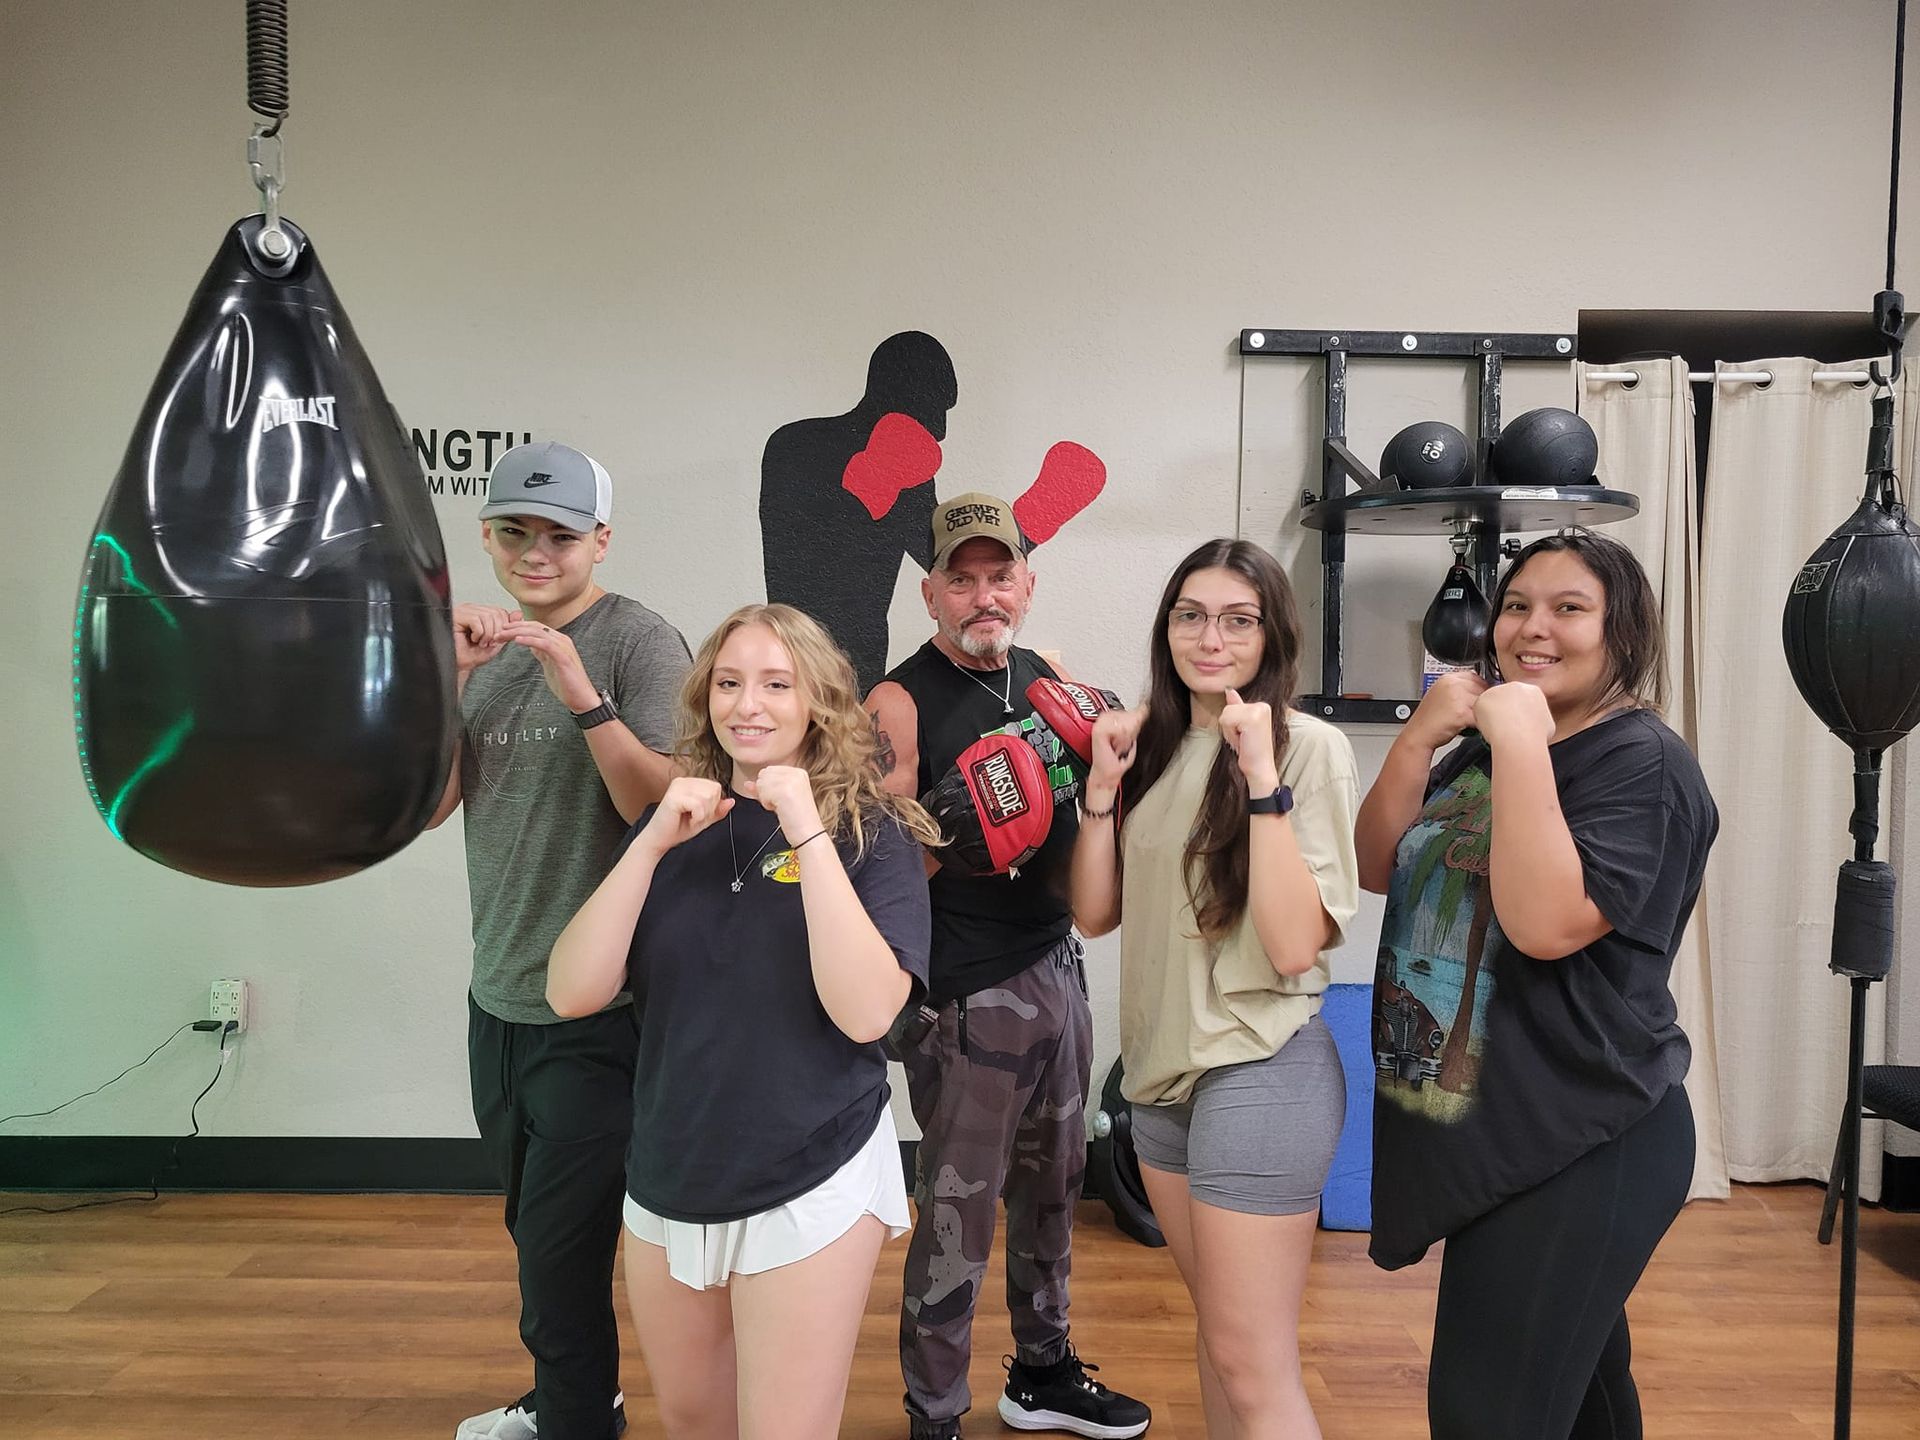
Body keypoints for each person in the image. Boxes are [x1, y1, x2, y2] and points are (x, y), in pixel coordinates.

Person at [1354, 530, 1718, 1440]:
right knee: (1582, 1401)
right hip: (1506, 1130)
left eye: (1568, 608)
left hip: (1586, 1134)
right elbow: (1375, 866)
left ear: (1622, 630)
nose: (1532, 628)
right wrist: (1419, 737)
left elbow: (1547, 923)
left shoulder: (1644, 765)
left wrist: (1518, 740)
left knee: (1488, 1416)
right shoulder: (1484, 746)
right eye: (1517, 605)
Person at [547, 603, 938, 1440]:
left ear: (817, 703)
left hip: (810, 1173)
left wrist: (805, 824)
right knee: (692, 1422)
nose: (747, 705)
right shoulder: (676, 826)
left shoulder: (876, 835)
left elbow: (870, 1013)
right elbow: (570, 992)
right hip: (669, 1171)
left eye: (775, 684)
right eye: (729, 683)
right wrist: (650, 843)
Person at [867, 492, 1151, 1440]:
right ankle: (935, 1412)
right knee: (959, 1207)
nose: (983, 595)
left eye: (1000, 576)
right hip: (965, 994)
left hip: (1055, 967)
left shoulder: (1051, 678)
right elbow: (874, 861)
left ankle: (1041, 1370)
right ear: (930, 594)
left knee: (1056, 1187)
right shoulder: (897, 703)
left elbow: (1111, 789)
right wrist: (961, 821)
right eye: (963, 579)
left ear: (1026, 586)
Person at [428, 441, 692, 1440]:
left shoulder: (638, 641)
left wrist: (576, 681)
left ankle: (579, 1420)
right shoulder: (480, 654)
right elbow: (434, 808)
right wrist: (452, 682)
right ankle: (575, 1397)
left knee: (556, 1244)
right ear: (489, 535)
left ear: (601, 540)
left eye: (559, 535)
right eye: (514, 533)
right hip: (496, 994)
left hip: (600, 1007)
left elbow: (660, 805)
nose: (535, 553)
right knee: (534, 1232)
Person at [1070, 537, 1359, 1440]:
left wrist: (1262, 777)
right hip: (1159, 1079)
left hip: (1261, 1068)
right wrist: (1100, 792)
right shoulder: (1153, 745)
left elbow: (1293, 942)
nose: (1210, 637)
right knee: (1223, 1341)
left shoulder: (1308, 748)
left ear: (1272, 636)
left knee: (1253, 1358)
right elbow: (1094, 914)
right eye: (1190, 615)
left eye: (1239, 620)